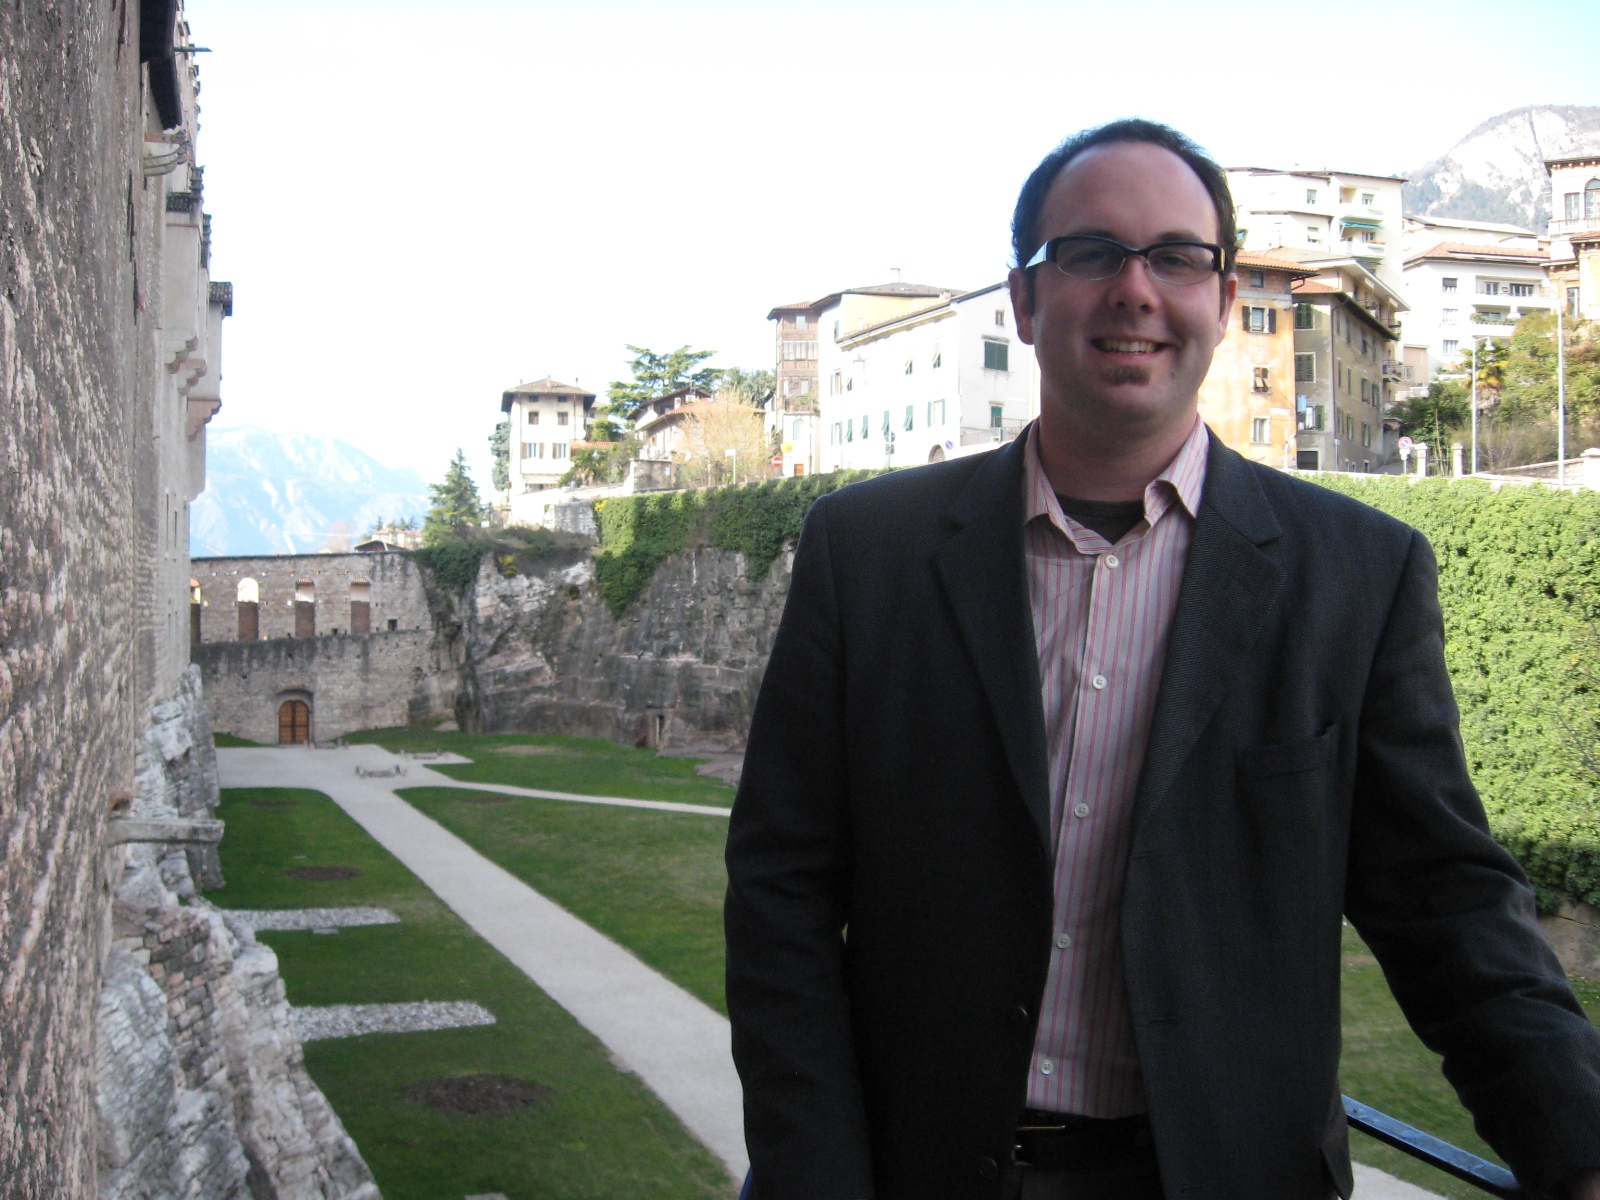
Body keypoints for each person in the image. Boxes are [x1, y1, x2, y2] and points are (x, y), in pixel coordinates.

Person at [723, 119, 1600, 1200]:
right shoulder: (869, 553)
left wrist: (1578, 1144)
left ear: (1222, 302)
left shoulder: (1357, 577)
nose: (1135, 290)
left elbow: (1444, 900)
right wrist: (811, 1171)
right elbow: (781, 890)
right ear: (1025, 301)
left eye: (1176, 258)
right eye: (1092, 252)